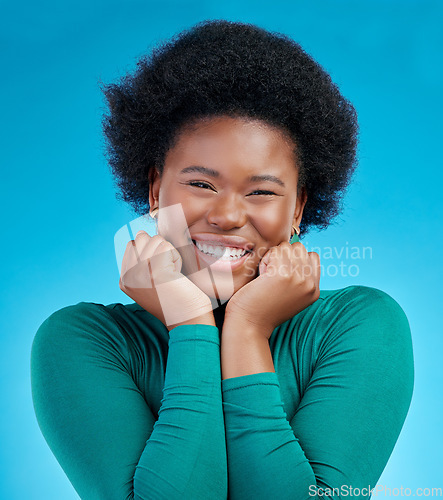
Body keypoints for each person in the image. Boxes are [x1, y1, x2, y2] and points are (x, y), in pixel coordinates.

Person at [30, 19, 414, 499]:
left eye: (261, 191)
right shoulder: (83, 341)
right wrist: (191, 325)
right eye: (201, 184)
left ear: (297, 208)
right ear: (154, 190)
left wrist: (249, 328)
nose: (229, 215)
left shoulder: (360, 325)